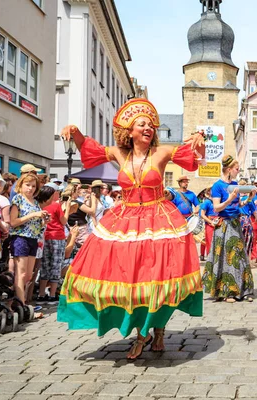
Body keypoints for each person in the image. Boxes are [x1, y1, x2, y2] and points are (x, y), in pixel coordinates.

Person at [57, 98, 205, 360]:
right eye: (141, 124)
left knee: (157, 278)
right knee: (130, 279)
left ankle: (155, 329)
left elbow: (190, 154)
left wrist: (198, 136)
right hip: (125, 219)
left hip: (159, 220)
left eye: (150, 124)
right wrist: (76, 132)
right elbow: (89, 150)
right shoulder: (118, 153)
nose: (147, 128)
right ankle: (142, 330)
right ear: (130, 131)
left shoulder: (161, 152)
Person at [202, 155, 254, 303]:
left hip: (236, 223)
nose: (238, 171)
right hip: (224, 225)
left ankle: (242, 290)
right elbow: (217, 207)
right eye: (237, 169)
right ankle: (226, 292)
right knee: (226, 257)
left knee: (239, 256)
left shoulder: (235, 184)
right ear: (229, 169)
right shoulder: (217, 186)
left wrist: (249, 198)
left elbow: (240, 206)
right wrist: (230, 198)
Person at [9, 172, 48, 304]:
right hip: (20, 237)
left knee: (29, 275)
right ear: (21, 185)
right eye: (28, 185)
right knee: (21, 273)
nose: (30, 188)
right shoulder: (18, 199)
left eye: (33, 186)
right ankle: (21, 303)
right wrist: (33, 215)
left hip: (33, 238)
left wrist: (43, 220)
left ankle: (22, 300)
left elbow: (37, 224)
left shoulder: (35, 202)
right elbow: (13, 222)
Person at [37, 183, 70, 303]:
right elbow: (63, 221)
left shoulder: (39, 205)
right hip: (57, 236)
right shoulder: (56, 205)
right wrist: (67, 208)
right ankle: (52, 294)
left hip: (45, 236)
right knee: (56, 264)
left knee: (45, 265)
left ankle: (41, 294)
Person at [199, 187, 219, 261]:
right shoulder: (207, 202)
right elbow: (202, 214)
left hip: (218, 224)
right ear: (208, 192)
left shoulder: (218, 201)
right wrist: (211, 222)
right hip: (210, 225)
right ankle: (210, 261)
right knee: (210, 243)